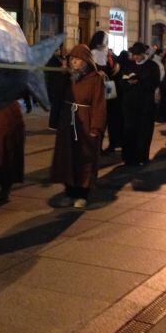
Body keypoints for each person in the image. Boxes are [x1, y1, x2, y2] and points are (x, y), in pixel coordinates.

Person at [49, 44, 106, 209]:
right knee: (67, 157)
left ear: (86, 61)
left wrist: (96, 127)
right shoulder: (67, 78)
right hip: (68, 121)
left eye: (76, 60)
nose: (73, 62)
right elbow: (56, 95)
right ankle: (69, 192)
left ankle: (82, 194)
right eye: (71, 59)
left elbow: (99, 104)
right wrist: (60, 76)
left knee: (84, 158)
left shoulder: (95, 79)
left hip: (85, 122)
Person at [120, 42, 160, 165]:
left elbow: (154, 83)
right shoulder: (129, 65)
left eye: (138, 55)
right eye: (134, 55)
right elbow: (121, 83)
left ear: (143, 54)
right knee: (129, 131)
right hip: (130, 105)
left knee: (144, 132)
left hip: (145, 106)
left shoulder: (152, 66)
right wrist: (128, 83)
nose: (136, 57)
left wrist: (139, 82)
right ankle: (129, 157)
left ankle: (142, 157)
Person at [89, 31, 122, 153]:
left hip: (109, 87)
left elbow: (112, 68)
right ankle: (97, 146)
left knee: (110, 116)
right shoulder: (93, 54)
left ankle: (112, 144)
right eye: (105, 40)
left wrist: (116, 67)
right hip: (99, 89)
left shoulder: (108, 54)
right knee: (100, 117)